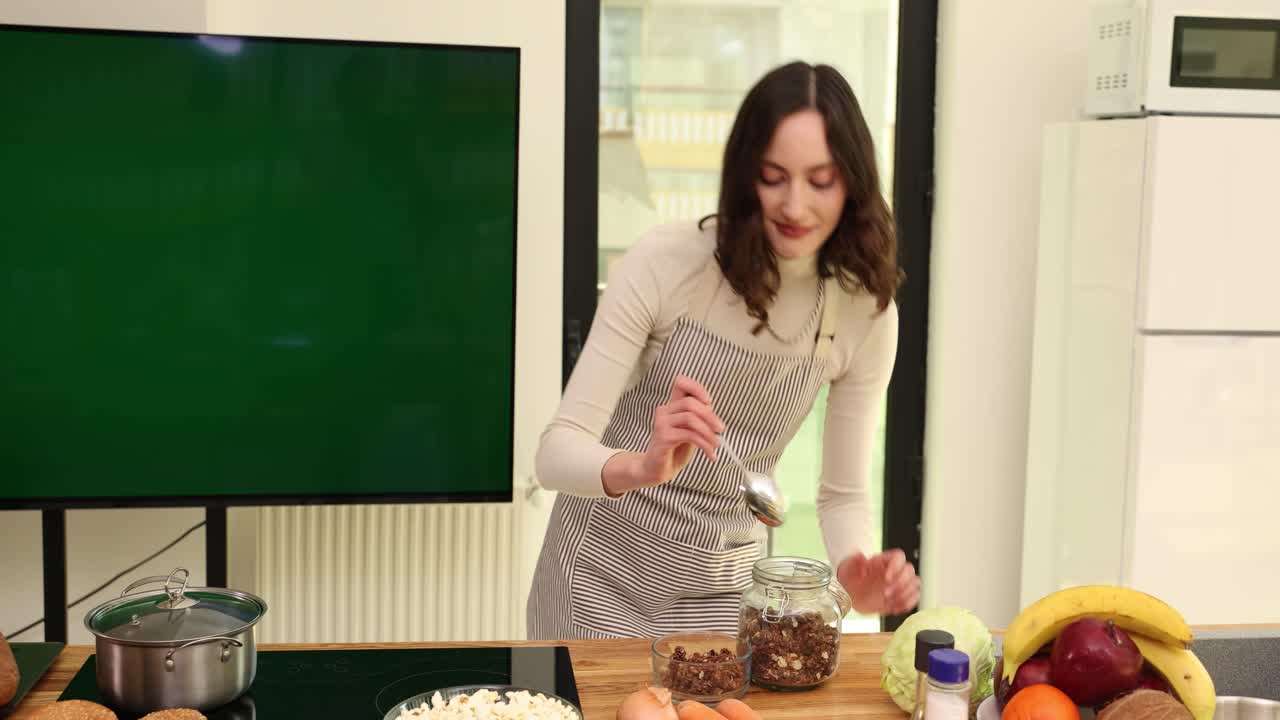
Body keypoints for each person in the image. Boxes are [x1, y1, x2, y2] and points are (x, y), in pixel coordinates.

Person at [527, 61, 920, 640]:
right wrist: (642, 464)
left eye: (821, 180)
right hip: (597, 585)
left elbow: (841, 495)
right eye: (772, 176)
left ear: (853, 182)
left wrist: (854, 571)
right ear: (745, 175)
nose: (794, 206)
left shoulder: (864, 311)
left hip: (723, 593)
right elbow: (554, 454)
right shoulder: (668, 263)